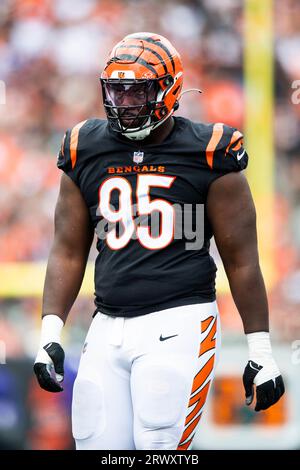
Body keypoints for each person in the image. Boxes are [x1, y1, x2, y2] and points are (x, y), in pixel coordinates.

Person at [33, 32, 284, 450]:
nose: (124, 102)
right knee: (95, 443)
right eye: (116, 90)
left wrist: (261, 347)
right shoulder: (85, 147)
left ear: (169, 89)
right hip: (106, 324)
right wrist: (50, 332)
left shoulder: (208, 151)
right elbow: (68, 249)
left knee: (160, 445)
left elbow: (241, 260)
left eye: (137, 91)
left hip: (180, 321)